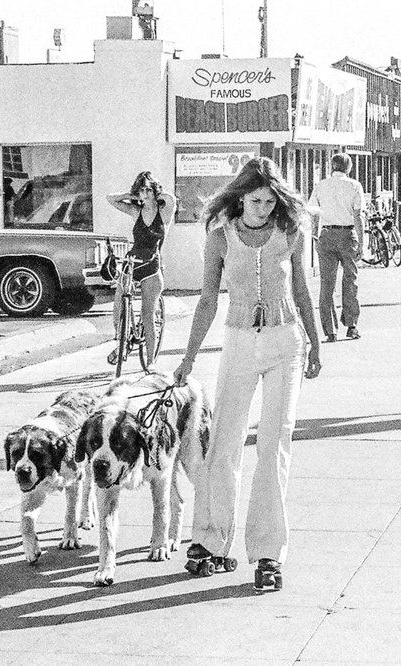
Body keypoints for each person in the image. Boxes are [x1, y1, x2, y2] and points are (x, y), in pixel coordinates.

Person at [174, 157, 321, 591]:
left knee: (274, 445)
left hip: (284, 343)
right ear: (240, 197)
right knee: (224, 440)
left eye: (271, 200)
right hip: (239, 341)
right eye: (256, 200)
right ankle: (209, 541)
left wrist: (315, 341)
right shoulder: (219, 239)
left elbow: (301, 290)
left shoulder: (291, 233)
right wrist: (188, 358)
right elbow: (205, 302)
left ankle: (268, 554)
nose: (264, 208)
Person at [106, 171, 176, 366]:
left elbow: (170, 199)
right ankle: (122, 341)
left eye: (148, 189)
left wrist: (154, 192)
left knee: (148, 316)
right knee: (118, 304)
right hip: (132, 262)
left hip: (152, 265)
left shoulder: (164, 212)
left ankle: (151, 364)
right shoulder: (136, 211)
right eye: (142, 189)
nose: (145, 193)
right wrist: (133, 196)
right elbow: (110, 199)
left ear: (154, 190)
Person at [308, 153, 364, 343]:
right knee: (350, 281)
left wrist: (316, 235)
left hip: (326, 234)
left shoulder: (320, 185)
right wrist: (362, 242)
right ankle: (352, 325)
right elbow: (358, 216)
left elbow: (314, 214)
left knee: (327, 284)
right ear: (349, 168)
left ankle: (330, 330)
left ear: (332, 166)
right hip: (347, 234)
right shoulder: (354, 186)